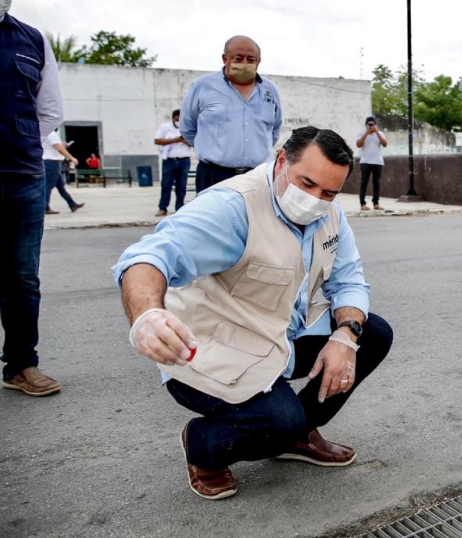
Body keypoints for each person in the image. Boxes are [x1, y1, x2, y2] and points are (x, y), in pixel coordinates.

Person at [113, 126, 393, 500]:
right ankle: (202, 446)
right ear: (281, 161)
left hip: (279, 339)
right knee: (277, 420)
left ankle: (296, 434)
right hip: (212, 349)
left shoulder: (332, 216)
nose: (315, 200)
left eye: (329, 192)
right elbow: (148, 257)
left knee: (371, 333)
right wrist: (147, 316)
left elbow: (349, 282)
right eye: (306, 183)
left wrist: (345, 336)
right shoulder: (233, 207)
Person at [0, 0, 63, 397]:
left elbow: (49, 110)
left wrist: (15, 140)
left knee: (22, 276)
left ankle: (21, 364)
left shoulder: (32, 40)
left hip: (22, 174)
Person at [179, 35, 283, 193]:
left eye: (251, 59)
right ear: (225, 58)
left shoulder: (269, 90)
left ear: (258, 61)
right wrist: (214, 149)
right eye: (238, 58)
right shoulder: (202, 87)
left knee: (256, 218)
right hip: (214, 176)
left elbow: (274, 130)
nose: (244, 64)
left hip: (258, 176)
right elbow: (187, 128)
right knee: (213, 217)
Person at [154, 109, 191, 216]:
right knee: (166, 184)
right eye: (178, 118)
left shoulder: (188, 128)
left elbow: (195, 143)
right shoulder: (165, 127)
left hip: (184, 160)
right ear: (174, 117)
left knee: (181, 185)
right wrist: (174, 140)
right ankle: (163, 208)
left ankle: (180, 207)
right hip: (169, 160)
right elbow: (157, 140)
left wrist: (185, 141)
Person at [42, 129, 83, 214]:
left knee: (61, 187)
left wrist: (63, 146)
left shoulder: (46, 133)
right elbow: (59, 148)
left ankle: (72, 204)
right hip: (52, 163)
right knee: (48, 186)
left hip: (51, 163)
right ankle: (45, 207)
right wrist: (71, 158)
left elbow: (57, 148)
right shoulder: (51, 134)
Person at [356, 116, 388, 211]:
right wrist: (366, 134)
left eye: (372, 124)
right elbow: (358, 144)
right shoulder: (361, 133)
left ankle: (376, 203)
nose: (371, 126)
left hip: (377, 162)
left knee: (376, 183)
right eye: (369, 125)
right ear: (366, 125)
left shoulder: (380, 133)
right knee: (364, 183)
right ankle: (362, 203)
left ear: (375, 125)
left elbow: (385, 144)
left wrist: (377, 132)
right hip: (365, 161)